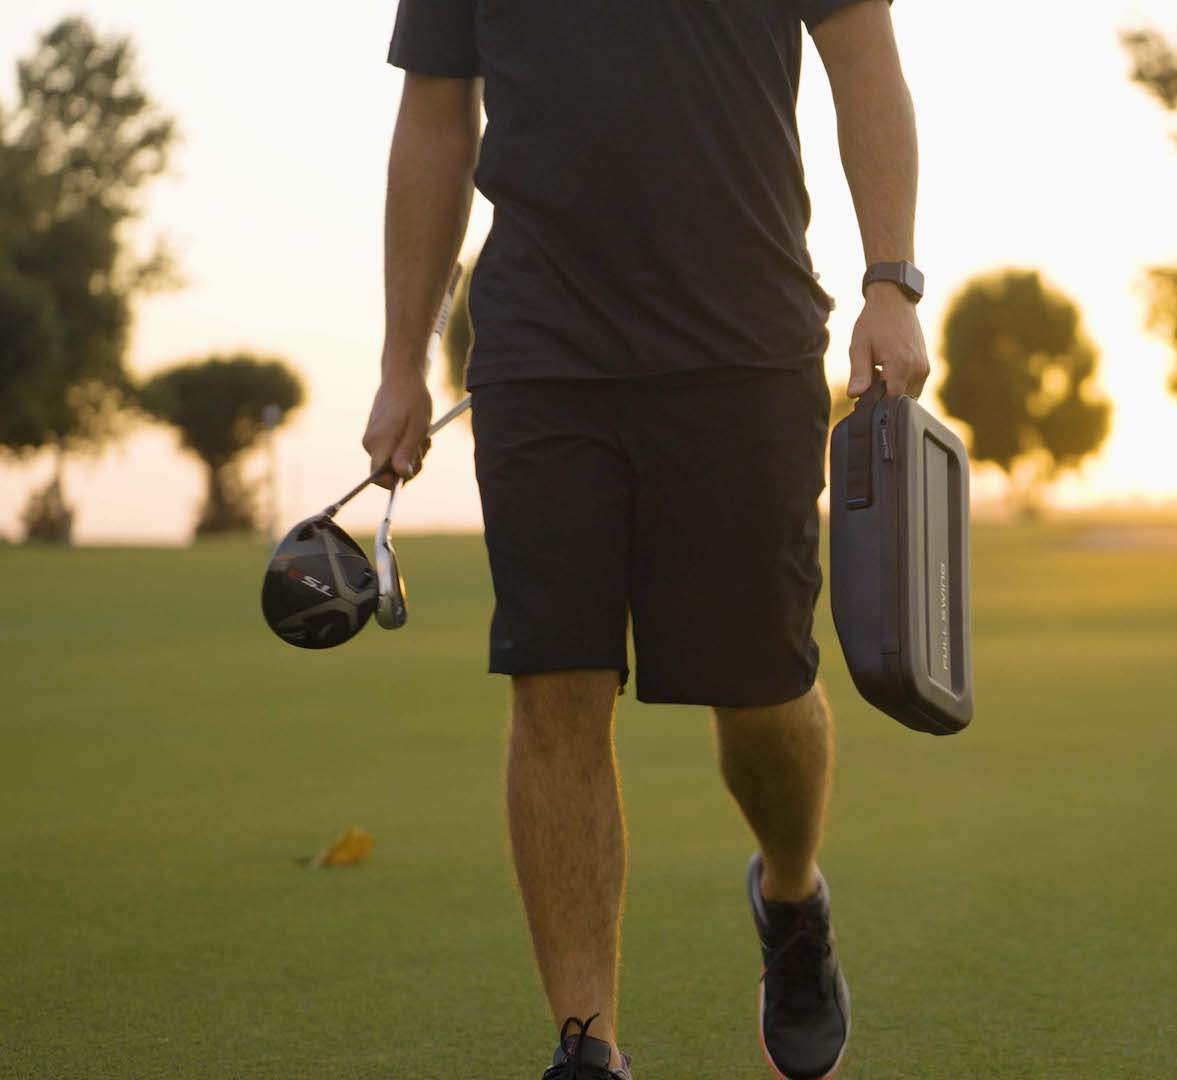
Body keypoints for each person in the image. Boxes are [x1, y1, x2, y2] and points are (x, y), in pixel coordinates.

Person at [362, 2, 927, 1077]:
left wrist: (891, 283)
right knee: (554, 682)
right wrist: (403, 355)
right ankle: (588, 1046)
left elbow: (862, 51)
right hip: (542, 346)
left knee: (761, 689)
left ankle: (792, 894)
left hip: (744, 339)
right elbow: (436, 112)